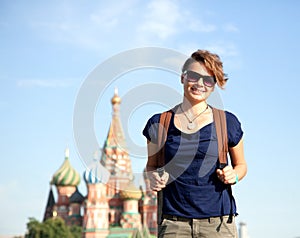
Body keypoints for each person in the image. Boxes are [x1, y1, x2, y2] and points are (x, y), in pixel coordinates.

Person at [142, 49, 247, 238]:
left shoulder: (227, 122)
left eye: (208, 80)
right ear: (183, 78)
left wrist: (234, 175)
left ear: (214, 85)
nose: (200, 84)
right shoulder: (159, 123)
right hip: (174, 224)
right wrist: (152, 178)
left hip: (218, 224)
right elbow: (150, 167)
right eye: (193, 76)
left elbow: (241, 166)